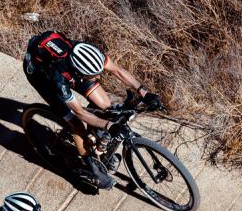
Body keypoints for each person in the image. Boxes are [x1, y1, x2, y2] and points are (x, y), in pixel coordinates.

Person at [22, 31, 164, 189]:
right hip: (41, 76)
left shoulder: (90, 53)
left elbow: (117, 70)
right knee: (76, 123)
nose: (98, 78)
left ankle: (98, 142)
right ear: (79, 73)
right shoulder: (59, 79)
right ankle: (92, 169)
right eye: (93, 75)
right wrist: (109, 126)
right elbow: (79, 113)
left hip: (70, 67)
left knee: (105, 107)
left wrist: (144, 92)